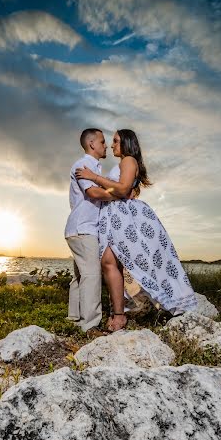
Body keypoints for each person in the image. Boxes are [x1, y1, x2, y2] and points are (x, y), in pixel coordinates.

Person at [76, 129, 196, 332]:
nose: (112, 145)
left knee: (128, 262)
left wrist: (93, 177)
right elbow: (122, 189)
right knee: (109, 262)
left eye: (115, 141)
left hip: (124, 217)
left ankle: (122, 314)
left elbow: (122, 189)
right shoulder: (124, 162)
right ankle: (119, 314)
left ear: (126, 143)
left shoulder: (129, 160)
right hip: (115, 215)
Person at [64, 128, 119, 336]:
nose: (106, 146)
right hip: (83, 229)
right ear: (92, 144)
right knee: (92, 274)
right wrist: (120, 194)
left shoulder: (93, 168)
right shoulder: (82, 165)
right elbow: (93, 192)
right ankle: (90, 326)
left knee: (79, 276)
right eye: (103, 142)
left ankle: (74, 318)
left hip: (78, 228)